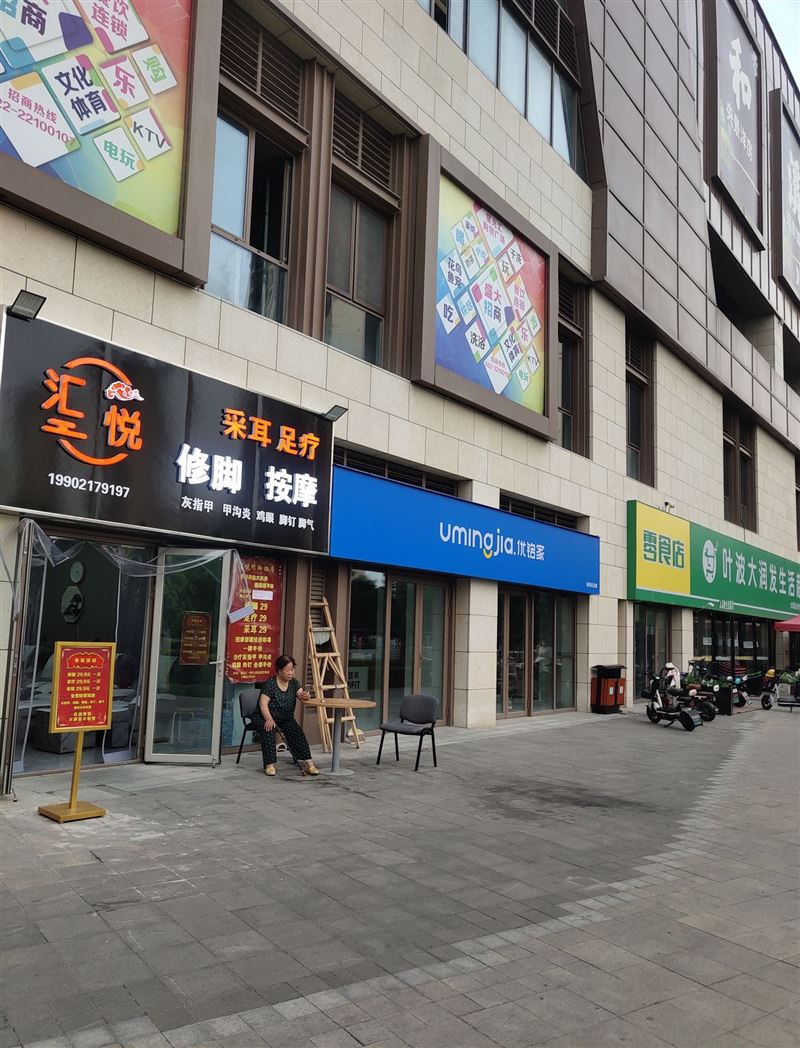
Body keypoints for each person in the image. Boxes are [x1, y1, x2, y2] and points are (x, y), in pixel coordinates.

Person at [253, 655, 319, 777]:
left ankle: (308, 763)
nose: (290, 673)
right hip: (264, 716)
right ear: (279, 670)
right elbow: (263, 703)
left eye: (292, 669)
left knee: (297, 732)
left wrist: (306, 696)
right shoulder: (270, 684)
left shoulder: (293, 683)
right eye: (287, 670)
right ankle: (269, 765)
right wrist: (269, 719)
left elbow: (301, 695)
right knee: (269, 728)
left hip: (285, 717)